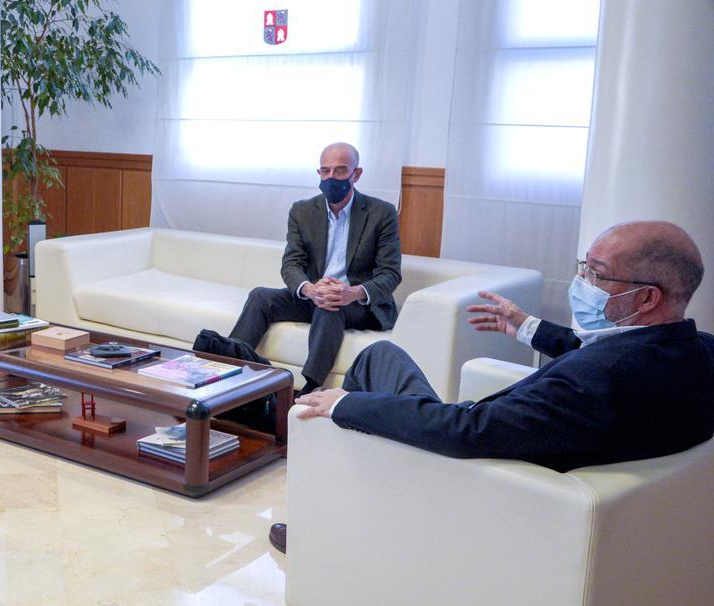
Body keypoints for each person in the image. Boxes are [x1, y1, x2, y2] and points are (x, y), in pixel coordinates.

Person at [268, 220, 713, 553]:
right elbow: (604, 349)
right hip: (510, 455)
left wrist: (348, 405)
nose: (582, 283)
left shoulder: (591, 384)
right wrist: (527, 328)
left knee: (352, 391)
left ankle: (328, 534)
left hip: (473, 482)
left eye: (597, 274)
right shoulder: (695, 351)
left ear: (647, 297)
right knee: (381, 357)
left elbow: (467, 432)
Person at [229, 142, 401, 396]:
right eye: (325, 171)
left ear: (357, 174)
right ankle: (228, 369)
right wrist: (309, 289)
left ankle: (309, 387)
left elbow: (390, 273)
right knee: (260, 296)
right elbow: (292, 263)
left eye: (340, 171)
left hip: (358, 303)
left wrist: (351, 293)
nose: (332, 178)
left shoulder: (381, 213)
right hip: (314, 294)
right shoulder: (302, 211)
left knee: (330, 306)